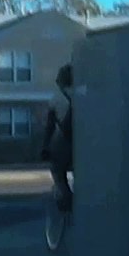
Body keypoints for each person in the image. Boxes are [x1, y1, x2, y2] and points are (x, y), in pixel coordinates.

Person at [40, 63, 74, 212]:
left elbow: (50, 126)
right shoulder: (84, 94)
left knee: (58, 172)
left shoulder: (56, 99)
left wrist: (45, 146)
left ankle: (66, 200)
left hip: (63, 142)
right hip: (84, 142)